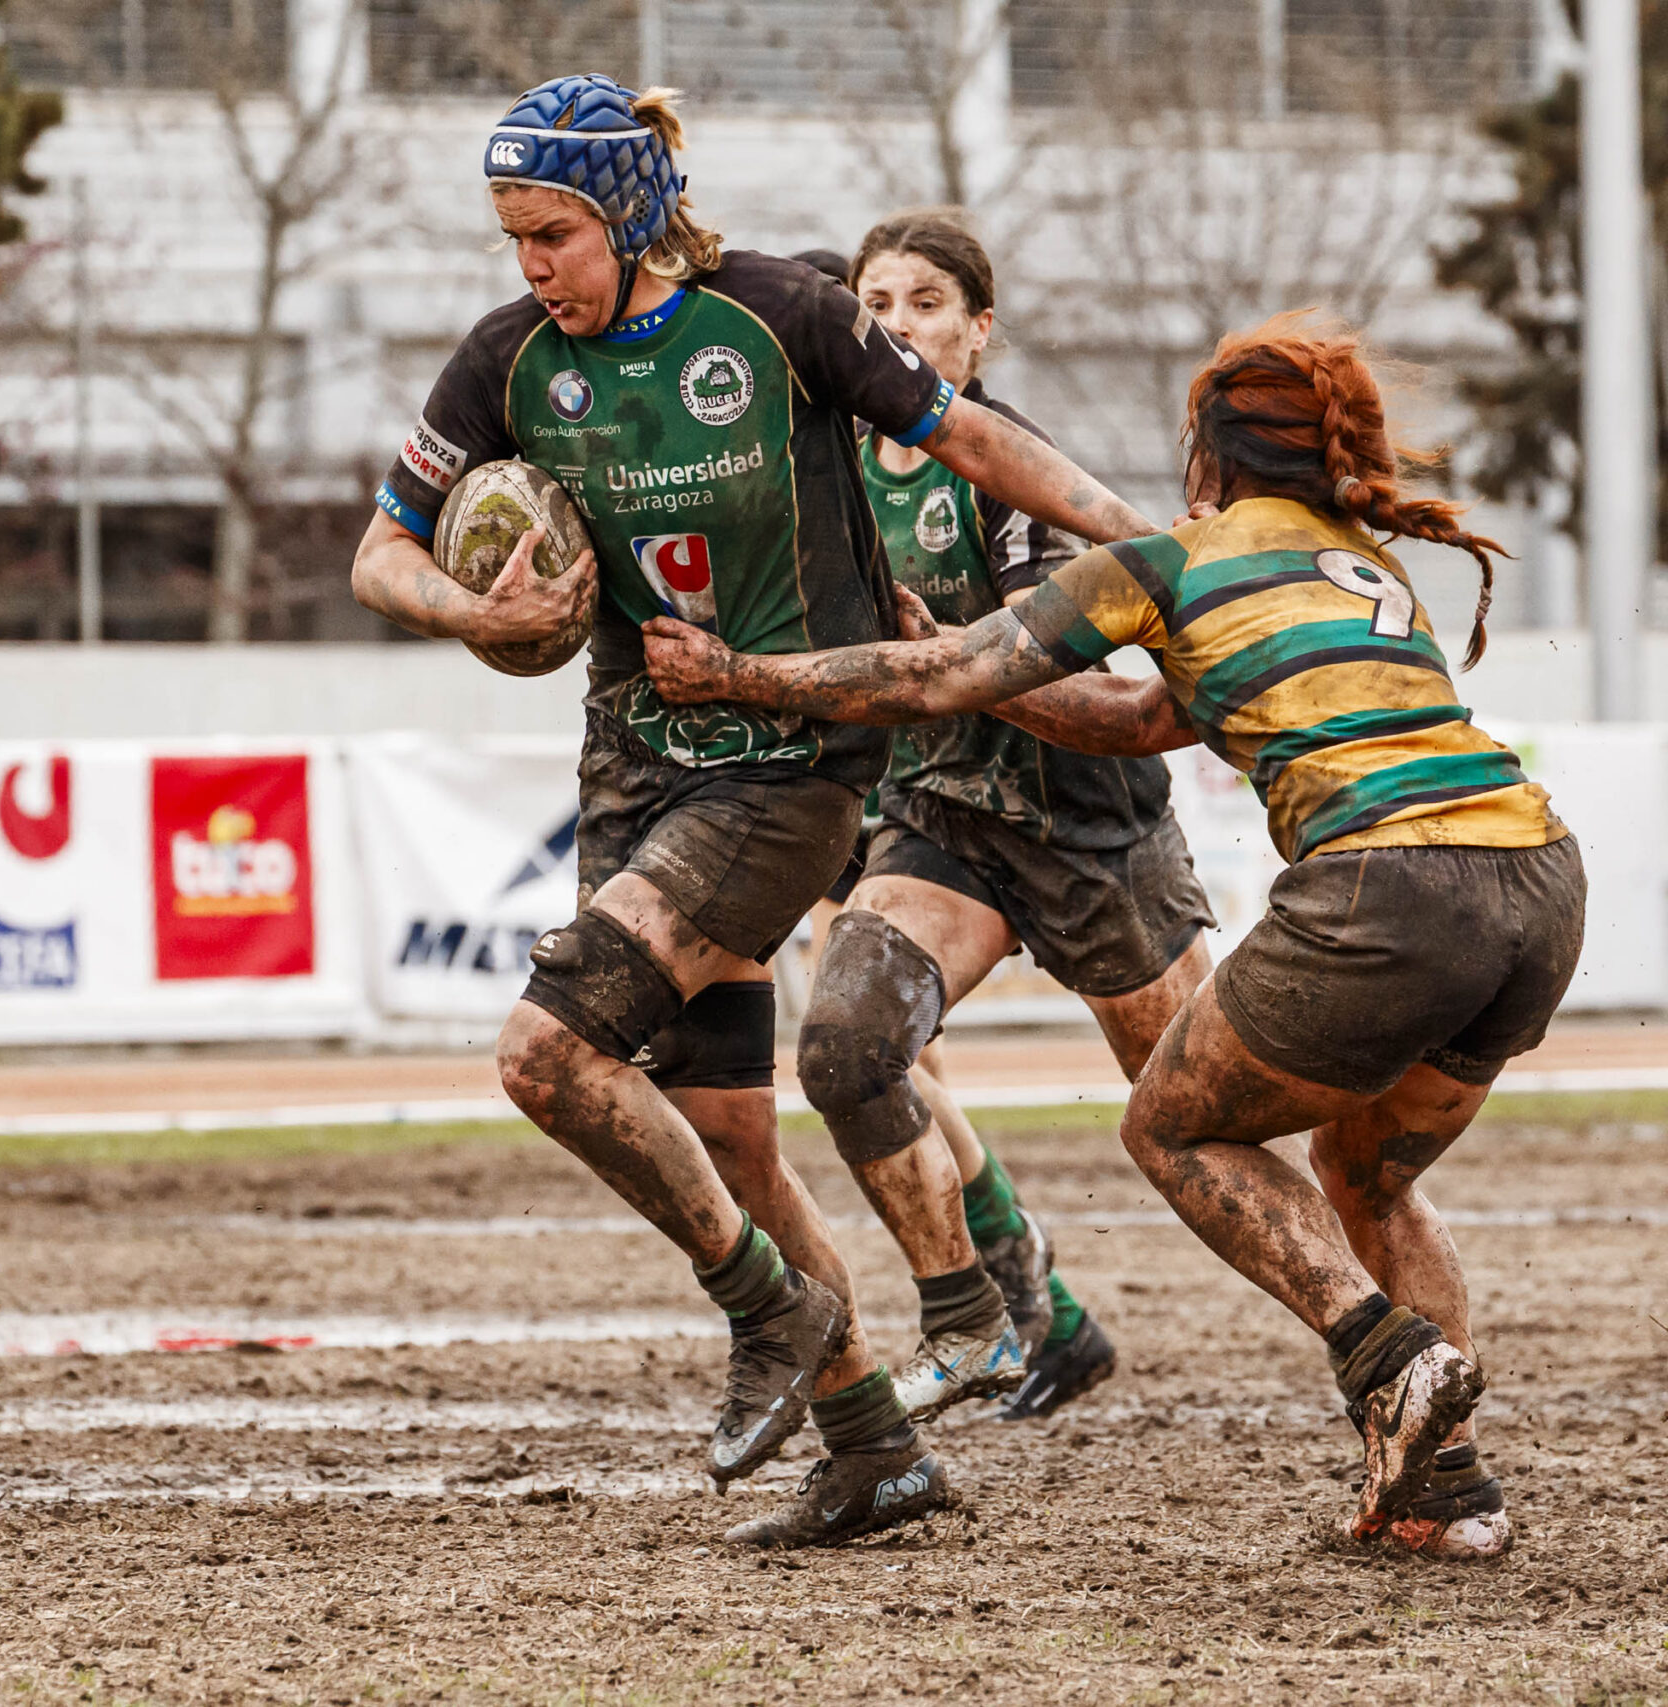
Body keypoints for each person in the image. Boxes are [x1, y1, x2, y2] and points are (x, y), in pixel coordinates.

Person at [351, 73, 1157, 1548]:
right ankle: (869, 1441)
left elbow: (972, 437)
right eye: (513, 238)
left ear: (633, 216)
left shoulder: (784, 314)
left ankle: (771, 1312)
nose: (532, 266)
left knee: (546, 1052)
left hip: (791, 767)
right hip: (632, 762)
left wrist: (1139, 539)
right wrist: (468, 600)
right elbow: (378, 553)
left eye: (554, 235)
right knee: (723, 1126)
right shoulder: (508, 362)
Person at [640, 311, 1577, 1560]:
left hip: (1389, 887)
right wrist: (944, 652)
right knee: (1367, 1174)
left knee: (1171, 1122)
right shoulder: (1361, 566)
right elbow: (1140, 724)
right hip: (1537, 879)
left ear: (1208, 455)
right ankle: (1443, 1493)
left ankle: (1387, 1352)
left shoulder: (1168, 559)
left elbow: (944, 688)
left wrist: (738, 674)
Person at [816, 211, 1215, 1423]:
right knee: (860, 1045)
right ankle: (1012, 1306)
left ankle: (1378, 1335)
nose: (896, 327)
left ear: (978, 333)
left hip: (1083, 821)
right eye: (872, 306)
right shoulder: (825, 469)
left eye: (925, 303)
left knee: (1203, 1115)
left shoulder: (1002, 460)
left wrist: (968, 662)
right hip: (933, 809)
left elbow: (1060, 664)